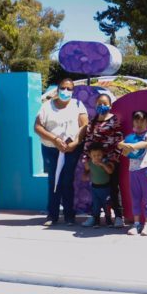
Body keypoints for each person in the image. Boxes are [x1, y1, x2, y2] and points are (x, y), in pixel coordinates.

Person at [34, 78, 88, 226]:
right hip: (51, 149)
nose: (66, 91)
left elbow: (84, 125)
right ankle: (52, 215)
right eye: (63, 88)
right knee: (54, 181)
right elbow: (37, 127)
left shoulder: (78, 104)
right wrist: (55, 140)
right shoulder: (46, 106)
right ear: (58, 89)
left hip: (71, 149)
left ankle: (70, 215)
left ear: (73, 91)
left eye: (69, 89)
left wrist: (76, 142)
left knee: (67, 181)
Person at [81, 93, 124, 227]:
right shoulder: (92, 122)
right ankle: (95, 217)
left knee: (113, 189)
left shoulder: (114, 120)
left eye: (105, 103)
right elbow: (88, 141)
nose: (102, 106)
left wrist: (112, 160)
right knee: (95, 191)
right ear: (95, 105)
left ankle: (117, 217)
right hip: (95, 163)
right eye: (99, 103)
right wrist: (86, 160)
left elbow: (119, 141)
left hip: (110, 162)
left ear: (110, 106)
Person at [118, 110, 147, 236]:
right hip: (133, 171)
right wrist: (123, 146)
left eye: (142, 120)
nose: (139, 123)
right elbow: (121, 147)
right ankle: (136, 224)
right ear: (133, 122)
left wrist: (132, 147)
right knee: (135, 197)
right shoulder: (130, 138)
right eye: (136, 120)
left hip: (146, 171)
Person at [82, 142, 115, 228]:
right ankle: (96, 221)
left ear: (103, 154)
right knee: (96, 205)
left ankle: (108, 220)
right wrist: (85, 175)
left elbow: (110, 171)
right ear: (90, 155)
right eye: (94, 155)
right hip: (94, 188)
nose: (97, 157)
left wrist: (102, 164)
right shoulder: (89, 163)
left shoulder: (105, 161)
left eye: (99, 155)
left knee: (106, 205)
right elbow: (86, 170)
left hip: (105, 188)